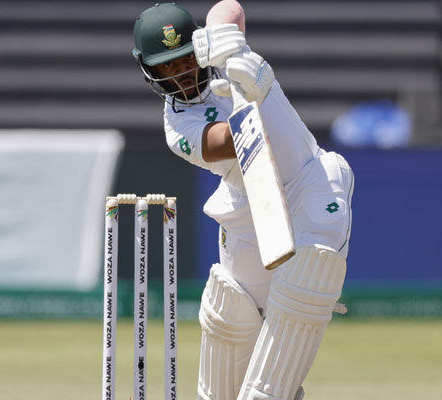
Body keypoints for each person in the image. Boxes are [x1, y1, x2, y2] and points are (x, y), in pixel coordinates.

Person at [132, 2, 354, 400]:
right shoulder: (177, 124)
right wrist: (251, 98)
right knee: (230, 314)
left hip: (309, 181)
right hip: (251, 208)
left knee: (309, 276)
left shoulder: (226, 53)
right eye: (167, 67)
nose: (181, 73)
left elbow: (229, 8)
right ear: (151, 72)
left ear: (200, 48)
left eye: (186, 59)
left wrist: (226, 40)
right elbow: (228, 142)